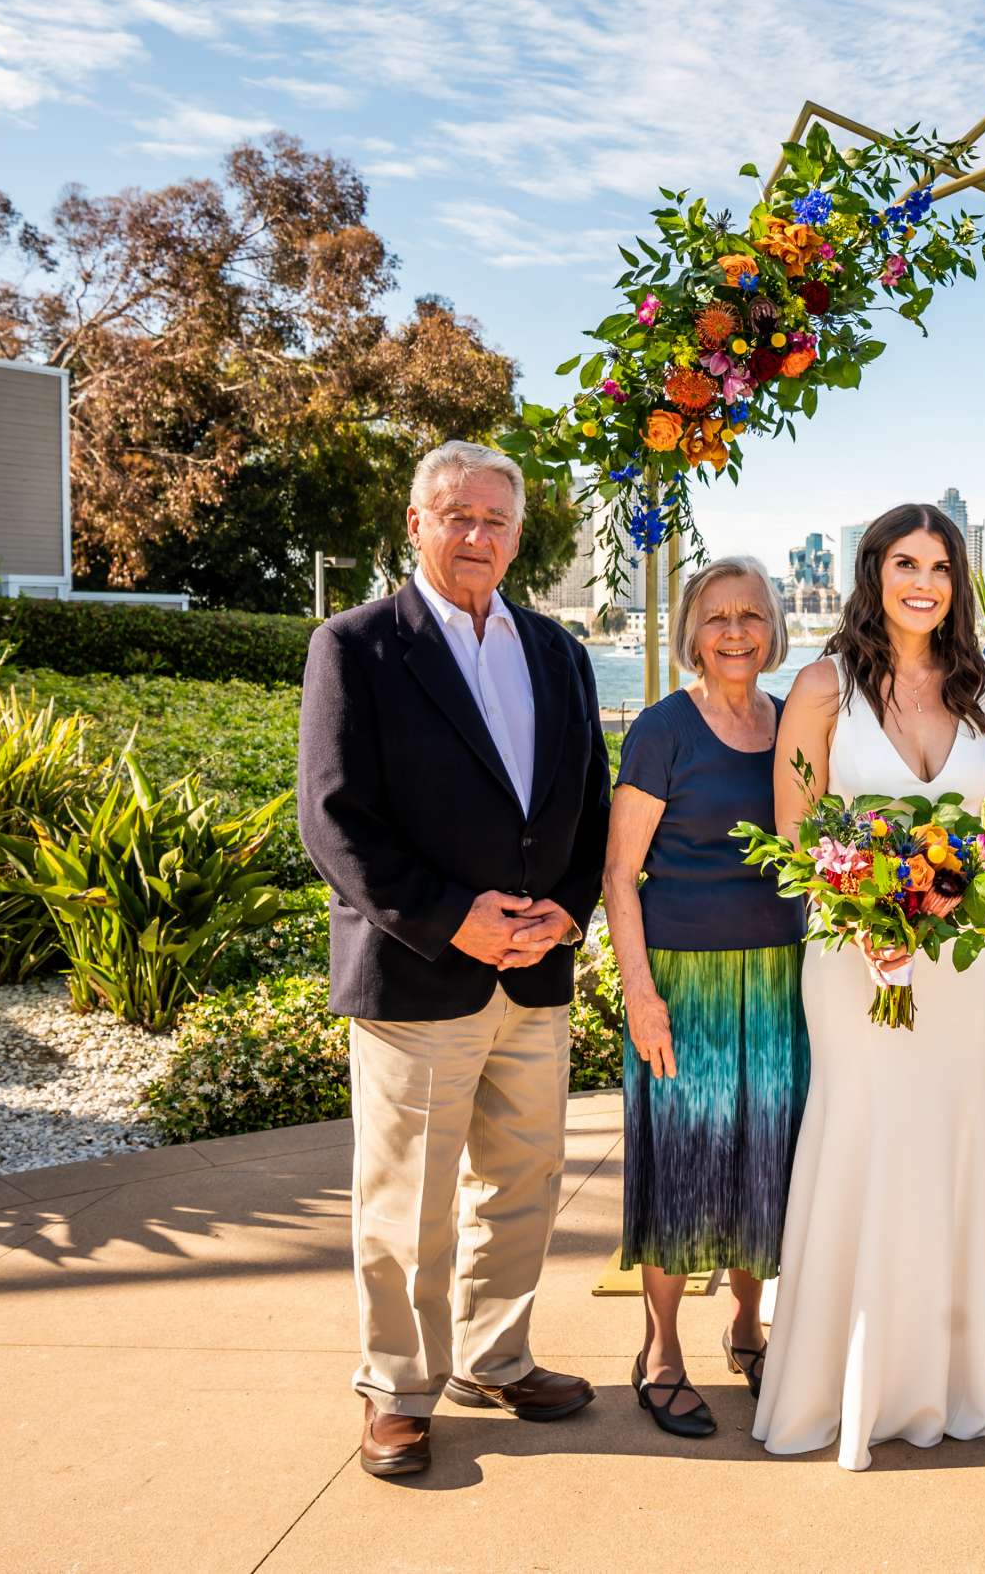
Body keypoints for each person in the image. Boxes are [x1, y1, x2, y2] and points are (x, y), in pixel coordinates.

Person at [297, 439, 610, 1479]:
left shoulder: (558, 652)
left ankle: (495, 1356)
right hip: (419, 970)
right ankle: (396, 1387)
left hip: (536, 972)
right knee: (408, 1200)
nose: (477, 536)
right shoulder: (356, 645)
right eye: (457, 516)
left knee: (525, 1181)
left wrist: (566, 911)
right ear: (417, 524)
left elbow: (589, 801)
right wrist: (449, 919)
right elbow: (334, 820)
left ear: (519, 536)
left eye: (496, 520)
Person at [752, 504, 985, 1472]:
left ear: (960, 583)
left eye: (942, 566)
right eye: (905, 562)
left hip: (962, 960)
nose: (924, 581)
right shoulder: (823, 688)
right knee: (867, 1130)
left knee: (959, 1129)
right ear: (874, 573)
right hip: (852, 955)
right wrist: (867, 926)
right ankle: (855, 1373)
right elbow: (796, 832)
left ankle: (958, 1363)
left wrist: (935, 913)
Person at [600, 555, 809, 1439]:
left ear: (774, 628)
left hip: (779, 980)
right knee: (682, 1170)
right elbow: (618, 874)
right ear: (692, 632)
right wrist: (639, 994)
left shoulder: (797, 719)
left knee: (769, 1163)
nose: (735, 633)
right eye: (717, 617)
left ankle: (750, 1327)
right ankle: (661, 1352)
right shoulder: (662, 730)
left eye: (751, 616)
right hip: (682, 981)